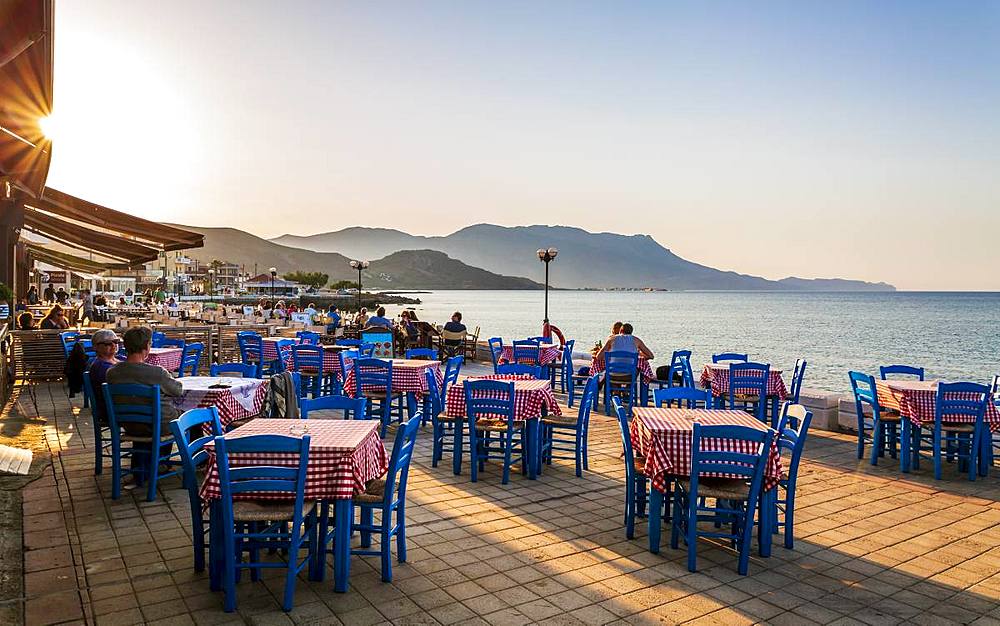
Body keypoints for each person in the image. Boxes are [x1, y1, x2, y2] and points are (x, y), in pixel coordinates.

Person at [106, 326, 184, 427]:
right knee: (193, 417)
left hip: (128, 424)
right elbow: (178, 391)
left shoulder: (112, 372)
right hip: (159, 424)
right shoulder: (157, 373)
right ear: (147, 345)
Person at [88, 329, 121, 422]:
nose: (113, 345)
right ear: (96, 347)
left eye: (115, 341)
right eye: (107, 343)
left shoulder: (120, 358)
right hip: (111, 410)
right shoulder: (100, 366)